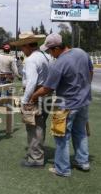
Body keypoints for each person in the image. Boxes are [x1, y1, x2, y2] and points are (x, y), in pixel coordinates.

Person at [30, 33, 94, 177]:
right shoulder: (81, 52)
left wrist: (33, 96)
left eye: (50, 51)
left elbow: (47, 88)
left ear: (57, 48)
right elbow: (90, 71)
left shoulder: (59, 64)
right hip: (83, 102)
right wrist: (84, 87)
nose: (50, 54)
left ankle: (62, 169)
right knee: (80, 133)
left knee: (61, 137)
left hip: (66, 105)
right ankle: (83, 162)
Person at [10, 32, 51, 168]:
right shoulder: (45, 56)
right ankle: (36, 154)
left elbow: (31, 83)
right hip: (46, 95)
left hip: (36, 96)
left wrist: (25, 101)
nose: (22, 49)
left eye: (22, 46)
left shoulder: (31, 60)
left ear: (27, 45)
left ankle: (36, 158)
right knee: (39, 126)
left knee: (34, 128)